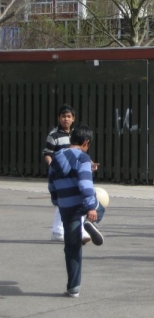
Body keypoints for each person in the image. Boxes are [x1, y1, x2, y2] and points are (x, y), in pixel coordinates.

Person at [48, 125, 105, 298]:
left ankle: (73, 288)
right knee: (100, 206)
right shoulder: (83, 157)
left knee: (72, 247)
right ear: (86, 142)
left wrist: (57, 201)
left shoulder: (56, 157)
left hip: (65, 206)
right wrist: (90, 207)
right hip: (80, 204)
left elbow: (51, 183)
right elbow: (85, 183)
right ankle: (90, 222)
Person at [43, 104, 93, 244]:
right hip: (61, 172)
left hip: (73, 171)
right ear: (59, 118)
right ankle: (60, 231)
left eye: (69, 116)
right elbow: (47, 153)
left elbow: (79, 154)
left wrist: (89, 164)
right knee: (69, 199)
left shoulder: (75, 134)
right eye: (63, 116)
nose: (66, 119)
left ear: (73, 118)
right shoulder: (53, 135)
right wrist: (53, 167)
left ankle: (75, 232)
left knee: (71, 199)